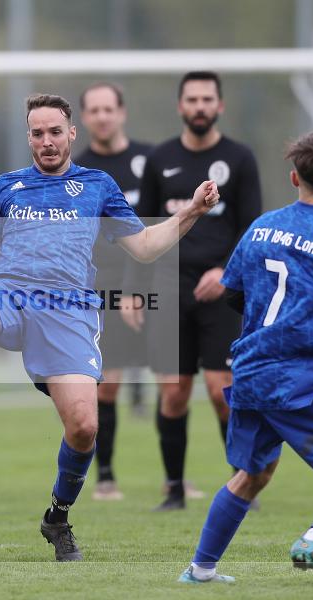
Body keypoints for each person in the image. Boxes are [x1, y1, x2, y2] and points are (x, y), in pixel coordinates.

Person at [0, 94, 219, 561]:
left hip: (67, 311)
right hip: (10, 294)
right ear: (29, 137)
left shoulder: (97, 185)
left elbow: (144, 247)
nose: (46, 141)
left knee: (84, 427)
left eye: (54, 132)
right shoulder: (7, 187)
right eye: (37, 133)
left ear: (71, 134)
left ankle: (57, 517)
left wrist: (190, 213)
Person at [177, 130, 313, 585]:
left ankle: (201, 570)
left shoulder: (261, 226)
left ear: (294, 176)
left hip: (251, 373)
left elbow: (234, 295)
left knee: (253, 474)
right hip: (297, 380)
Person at [122, 71, 263, 511]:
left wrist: (225, 272)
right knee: (175, 391)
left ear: (219, 106)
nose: (200, 106)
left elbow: (250, 227)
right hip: (169, 288)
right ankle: (175, 489)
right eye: (192, 99)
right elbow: (139, 228)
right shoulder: (161, 158)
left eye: (207, 99)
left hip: (223, 292)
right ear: (180, 106)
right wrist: (132, 290)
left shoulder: (239, 159)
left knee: (224, 390)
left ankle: (241, 484)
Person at [74, 82, 153, 501]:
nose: (103, 116)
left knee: (173, 380)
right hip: (101, 285)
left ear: (121, 112)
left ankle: (175, 481)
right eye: (94, 110)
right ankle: (105, 477)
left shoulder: (149, 161)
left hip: (150, 278)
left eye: (109, 109)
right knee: (109, 383)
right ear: (84, 119)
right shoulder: (77, 171)